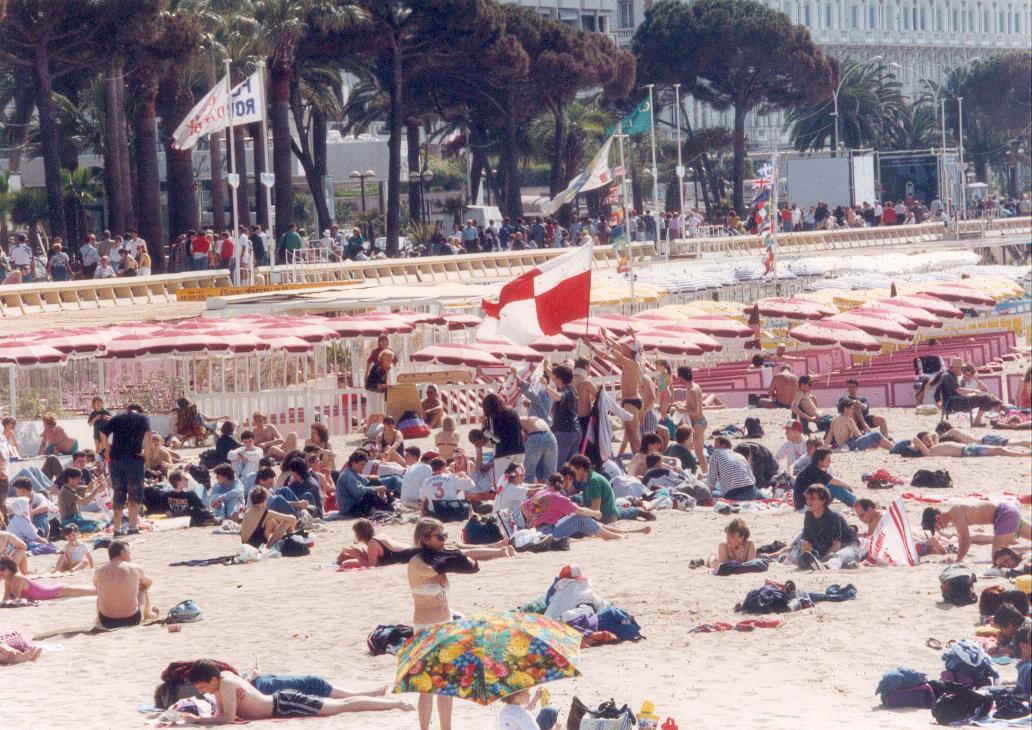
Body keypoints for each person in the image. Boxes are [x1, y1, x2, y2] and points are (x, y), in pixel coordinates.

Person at [408, 517, 479, 730]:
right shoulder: (417, 562)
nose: (443, 540)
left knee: (446, 685)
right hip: (426, 628)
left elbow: (472, 566)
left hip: (446, 625)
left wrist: (457, 555)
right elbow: (431, 571)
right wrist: (451, 556)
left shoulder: (438, 559)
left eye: (444, 536)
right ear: (425, 538)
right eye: (439, 537)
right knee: (427, 686)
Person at [183, 659, 413, 724]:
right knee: (342, 704)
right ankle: (387, 701)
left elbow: (226, 718)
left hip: (284, 704)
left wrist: (196, 721)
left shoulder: (226, 683)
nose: (202, 691)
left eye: (202, 687)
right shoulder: (218, 686)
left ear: (212, 679)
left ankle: (395, 704)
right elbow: (221, 716)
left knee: (342, 706)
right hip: (279, 705)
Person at [587, 332, 644, 453]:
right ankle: (637, 459)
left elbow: (613, 353)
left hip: (631, 401)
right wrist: (602, 341)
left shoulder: (632, 363)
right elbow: (611, 352)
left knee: (634, 436)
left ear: (631, 351)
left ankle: (642, 461)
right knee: (631, 434)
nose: (623, 349)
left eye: (626, 348)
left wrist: (602, 342)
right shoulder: (630, 362)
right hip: (630, 401)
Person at [99, 404, 150, 535]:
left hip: (116, 461)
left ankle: (117, 529)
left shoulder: (117, 418)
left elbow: (102, 432)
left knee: (119, 493)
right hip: (134, 460)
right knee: (134, 493)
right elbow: (148, 435)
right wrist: (146, 454)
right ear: (140, 411)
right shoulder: (143, 418)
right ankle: (133, 527)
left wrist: (107, 449)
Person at [922, 502, 1031, 563]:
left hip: (1004, 515)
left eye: (936, 527)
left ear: (938, 517)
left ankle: (1025, 559)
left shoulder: (955, 514)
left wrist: (957, 561)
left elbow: (965, 540)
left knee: (998, 558)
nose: (939, 529)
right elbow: (963, 538)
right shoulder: (955, 511)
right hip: (1007, 510)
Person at [569, 454, 654, 523]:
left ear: (581, 469)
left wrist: (574, 511)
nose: (571, 474)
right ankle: (635, 512)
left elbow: (595, 509)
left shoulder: (593, 481)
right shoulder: (586, 480)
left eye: (573, 470)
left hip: (606, 517)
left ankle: (635, 512)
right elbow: (585, 505)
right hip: (607, 512)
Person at [853, 499, 946, 557]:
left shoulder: (881, 518)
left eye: (861, 515)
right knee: (931, 550)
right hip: (912, 536)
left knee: (931, 544)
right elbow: (871, 537)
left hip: (914, 537)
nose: (860, 519)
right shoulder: (873, 519)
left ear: (870, 510)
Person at [94, 541, 157, 628]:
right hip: (131, 620)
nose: (130, 557)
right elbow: (149, 583)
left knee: (100, 593)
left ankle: (98, 620)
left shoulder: (99, 570)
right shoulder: (134, 567)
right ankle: (148, 613)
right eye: (129, 553)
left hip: (106, 621)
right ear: (123, 553)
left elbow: (95, 585)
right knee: (143, 588)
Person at [798, 485, 862, 570]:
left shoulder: (833, 516)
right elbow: (806, 541)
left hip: (849, 547)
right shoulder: (809, 515)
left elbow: (836, 545)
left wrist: (822, 561)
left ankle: (825, 567)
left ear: (823, 500)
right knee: (801, 560)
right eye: (807, 498)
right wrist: (804, 558)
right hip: (827, 550)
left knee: (837, 557)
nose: (809, 501)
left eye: (813, 498)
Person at [937, 357, 1004, 426]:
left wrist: (976, 384)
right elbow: (959, 391)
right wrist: (975, 391)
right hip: (956, 403)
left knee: (988, 397)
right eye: (961, 369)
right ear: (956, 368)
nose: (961, 371)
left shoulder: (949, 376)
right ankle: (978, 421)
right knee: (987, 398)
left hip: (955, 401)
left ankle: (1001, 408)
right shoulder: (951, 377)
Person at [0, 556, 95, 603]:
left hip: (56, 592)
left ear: (10, 568)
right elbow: (5, 600)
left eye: (2, 569)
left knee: (95, 591)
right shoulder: (8, 580)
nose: (0, 572)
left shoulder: (17, 577)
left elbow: (15, 600)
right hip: (53, 591)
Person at [334, 451, 394, 518]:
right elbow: (359, 492)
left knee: (374, 482)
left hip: (354, 506)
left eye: (364, 465)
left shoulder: (354, 473)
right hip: (349, 510)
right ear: (354, 463)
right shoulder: (348, 475)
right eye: (362, 464)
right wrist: (377, 488)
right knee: (369, 496)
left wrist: (378, 485)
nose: (363, 467)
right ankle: (390, 510)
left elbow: (367, 482)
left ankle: (391, 502)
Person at [336, 518, 415, 568]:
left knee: (346, 564)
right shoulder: (379, 536)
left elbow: (371, 566)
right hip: (413, 550)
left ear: (359, 534)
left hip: (411, 556)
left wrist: (357, 555)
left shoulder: (372, 543)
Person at [792, 448, 857, 510]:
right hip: (805, 506)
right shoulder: (814, 470)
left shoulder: (812, 468)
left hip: (804, 503)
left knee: (832, 487)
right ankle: (856, 504)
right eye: (828, 459)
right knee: (835, 488)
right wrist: (848, 486)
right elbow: (834, 481)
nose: (830, 461)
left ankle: (855, 502)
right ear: (820, 460)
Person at [482, 393, 525, 485]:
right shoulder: (513, 411)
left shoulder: (494, 416)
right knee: (518, 483)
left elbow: (497, 440)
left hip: (504, 454)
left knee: (502, 484)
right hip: (520, 451)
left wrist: (485, 432)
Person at [675, 366, 710, 472]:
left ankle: (705, 474)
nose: (678, 378)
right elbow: (693, 406)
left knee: (698, 452)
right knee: (696, 451)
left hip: (698, 423)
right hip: (698, 422)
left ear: (681, 376)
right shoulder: (693, 387)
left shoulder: (692, 390)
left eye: (678, 376)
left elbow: (696, 411)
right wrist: (683, 405)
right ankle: (704, 474)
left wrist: (681, 410)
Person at [823, 399, 892, 451]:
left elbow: (828, 438)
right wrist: (869, 438)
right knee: (876, 435)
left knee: (874, 439)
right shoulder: (848, 419)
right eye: (852, 409)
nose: (853, 411)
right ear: (846, 409)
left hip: (842, 446)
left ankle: (888, 445)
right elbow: (858, 435)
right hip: (851, 445)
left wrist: (823, 448)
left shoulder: (834, 421)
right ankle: (893, 448)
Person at [704, 436, 759, 501]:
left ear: (723, 446)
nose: (714, 448)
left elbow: (711, 482)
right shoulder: (740, 456)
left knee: (711, 492)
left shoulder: (716, 453)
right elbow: (753, 480)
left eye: (716, 445)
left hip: (734, 496)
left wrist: (706, 497)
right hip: (751, 492)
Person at [547, 365, 581, 466]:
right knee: (573, 466)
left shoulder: (566, 391)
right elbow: (553, 374)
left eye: (554, 379)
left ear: (560, 379)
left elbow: (558, 397)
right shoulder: (570, 389)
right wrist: (545, 367)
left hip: (565, 432)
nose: (553, 380)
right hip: (574, 431)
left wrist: (545, 385)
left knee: (559, 464)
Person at [908, 431, 1029, 458]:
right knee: (998, 450)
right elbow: (914, 439)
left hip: (968, 448)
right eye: (925, 439)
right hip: (967, 451)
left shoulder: (935, 446)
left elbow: (934, 434)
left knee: (998, 449)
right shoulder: (928, 452)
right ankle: (1025, 455)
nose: (929, 439)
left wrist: (930, 436)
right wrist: (915, 446)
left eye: (928, 438)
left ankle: (1024, 454)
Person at [933, 420, 1031, 449]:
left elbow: (941, 437)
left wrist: (934, 436)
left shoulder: (952, 431)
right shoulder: (955, 433)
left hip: (985, 441)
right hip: (985, 440)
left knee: (1013, 444)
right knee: (1012, 443)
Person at [364, 349, 394, 419]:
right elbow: (379, 385)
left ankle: (379, 426)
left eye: (390, 360)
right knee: (374, 413)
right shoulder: (378, 368)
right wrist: (389, 386)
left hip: (379, 391)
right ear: (383, 359)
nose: (390, 362)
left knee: (381, 412)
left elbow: (382, 383)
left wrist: (387, 386)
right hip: (373, 390)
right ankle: (369, 428)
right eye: (388, 360)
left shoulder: (383, 368)